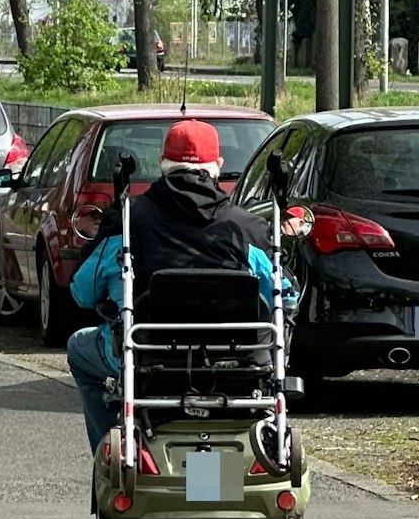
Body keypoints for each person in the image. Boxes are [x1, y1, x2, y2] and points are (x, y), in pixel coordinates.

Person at [65, 120, 281, 452]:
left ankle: (109, 454)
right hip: (235, 367)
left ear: (162, 164)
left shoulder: (128, 219)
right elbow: (285, 297)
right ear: (218, 166)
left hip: (149, 361)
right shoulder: (247, 228)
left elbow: (82, 292)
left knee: (79, 348)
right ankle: (218, 473)